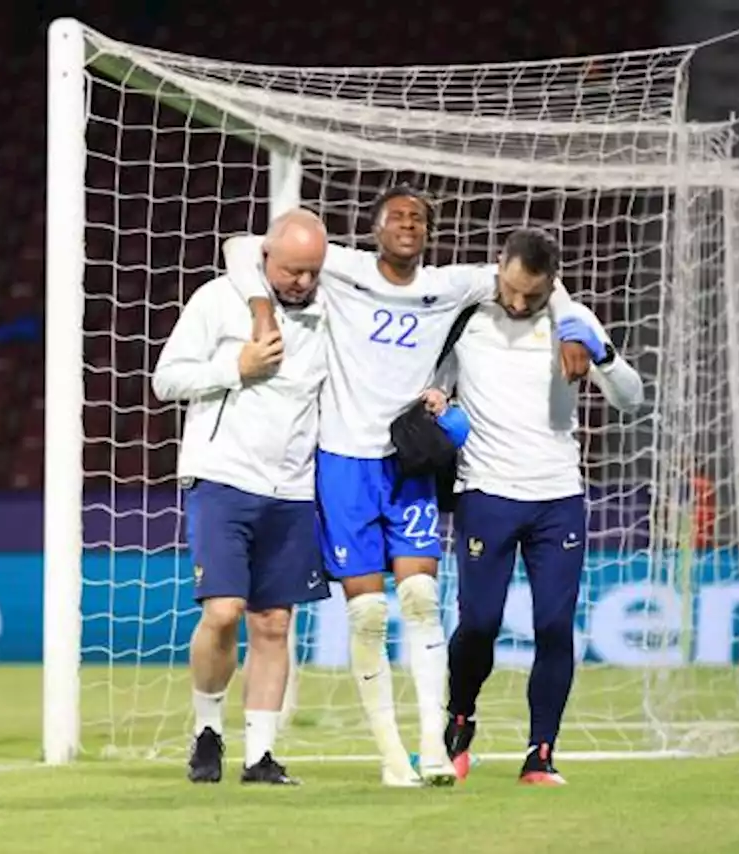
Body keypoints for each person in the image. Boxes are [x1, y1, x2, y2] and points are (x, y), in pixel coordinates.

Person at [222, 186, 590, 787]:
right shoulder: (341, 267)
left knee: (422, 603)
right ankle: (392, 755)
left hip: (407, 464)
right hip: (344, 464)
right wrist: (264, 309)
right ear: (375, 229)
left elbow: (540, 279)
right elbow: (243, 246)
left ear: (428, 233)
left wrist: (573, 327)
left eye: (419, 217)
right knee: (367, 614)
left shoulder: (454, 285)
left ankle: (432, 747)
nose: (408, 223)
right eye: (397, 215)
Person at [422, 227, 643, 785]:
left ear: (552, 284)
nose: (519, 303)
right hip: (486, 493)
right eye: (512, 289)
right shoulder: (468, 318)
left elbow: (631, 398)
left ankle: (540, 753)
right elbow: (433, 383)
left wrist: (604, 354)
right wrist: (435, 400)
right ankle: (460, 717)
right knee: (479, 623)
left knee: (553, 625)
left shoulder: (574, 322)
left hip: (557, 498)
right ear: (499, 267)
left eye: (533, 294)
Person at [151, 209, 332, 786]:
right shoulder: (218, 299)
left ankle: (260, 756)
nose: (302, 282)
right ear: (266, 259)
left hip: (293, 488)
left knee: (275, 623)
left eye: (312, 271)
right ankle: (208, 729)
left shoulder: (331, 313)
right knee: (223, 612)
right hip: (222, 477)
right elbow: (166, 379)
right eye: (292, 270)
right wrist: (237, 365)